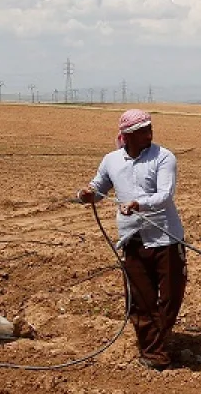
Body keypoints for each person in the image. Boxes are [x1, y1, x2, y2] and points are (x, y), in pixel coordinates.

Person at [78, 109, 186, 370]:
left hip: (166, 237)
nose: (149, 133)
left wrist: (139, 204)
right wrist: (87, 195)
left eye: (150, 128)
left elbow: (165, 195)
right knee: (140, 298)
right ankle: (153, 352)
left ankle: (158, 339)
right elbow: (98, 188)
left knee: (171, 295)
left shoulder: (164, 157)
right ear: (127, 136)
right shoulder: (111, 160)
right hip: (132, 238)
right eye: (142, 131)